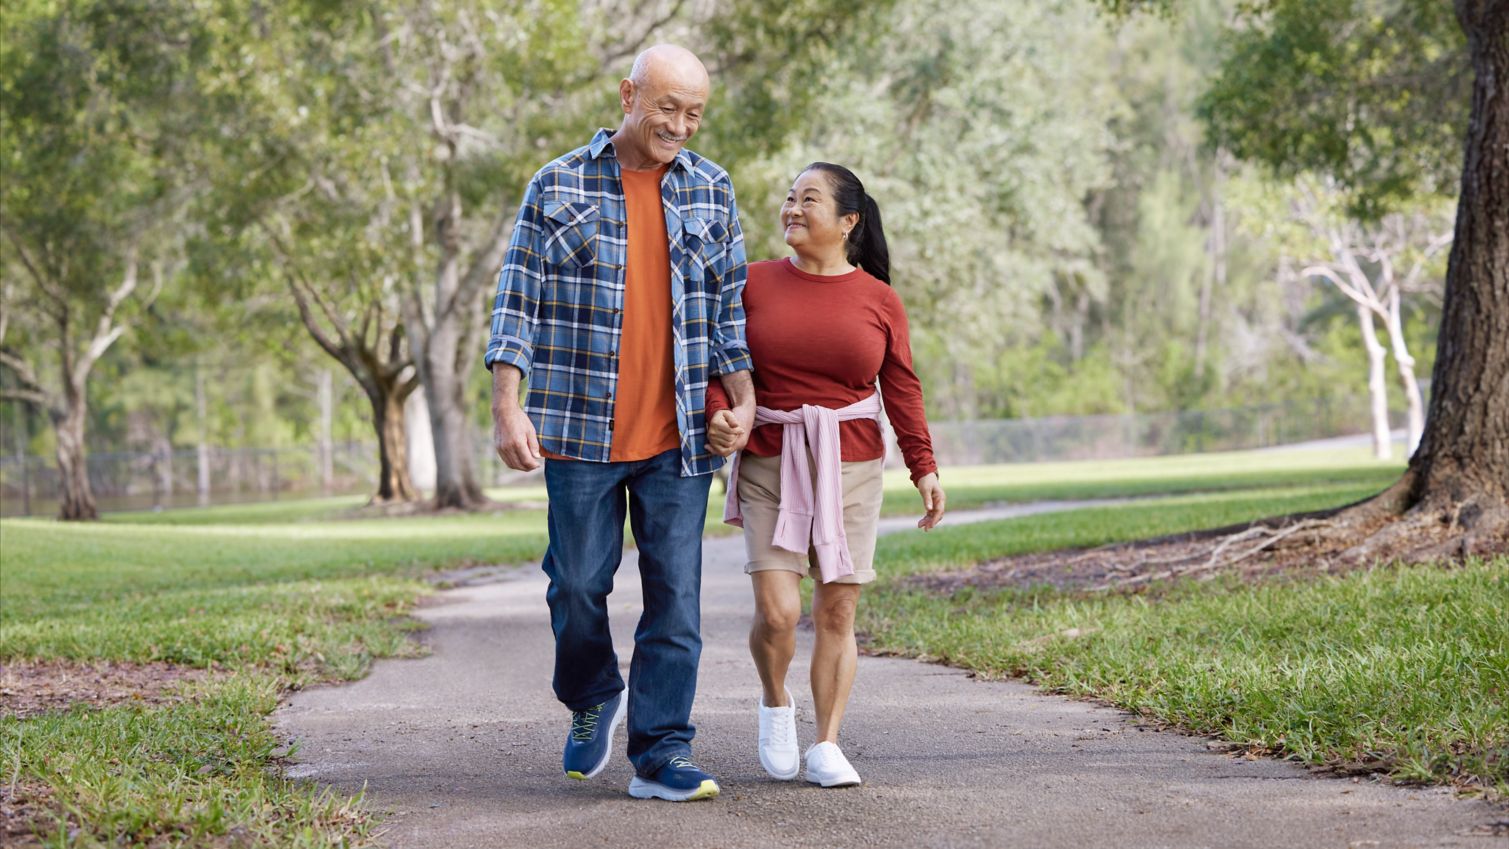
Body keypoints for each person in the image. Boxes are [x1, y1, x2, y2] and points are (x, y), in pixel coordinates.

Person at [486, 44, 756, 802]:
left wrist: (745, 400)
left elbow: (729, 313)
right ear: (627, 94)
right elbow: (516, 304)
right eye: (667, 107)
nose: (680, 124)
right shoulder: (558, 181)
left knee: (677, 600)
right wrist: (507, 407)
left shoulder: (711, 188)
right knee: (575, 584)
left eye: (694, 112)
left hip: (679, 436)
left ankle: (663, 751)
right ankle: (591, 691)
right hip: (579, 427)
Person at [706, 162, 945, 787]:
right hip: (769, 457)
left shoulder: (879, 300)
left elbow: (901, 387)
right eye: (789, 197)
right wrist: (720, 415)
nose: (792, 208)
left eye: (807, 199)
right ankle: (775, 700)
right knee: (779, 611)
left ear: (848, 221)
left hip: (854, 466)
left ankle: (827, 744)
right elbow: (718, 363)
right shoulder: (750, 283)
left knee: (838, 611)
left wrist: (924, 466)